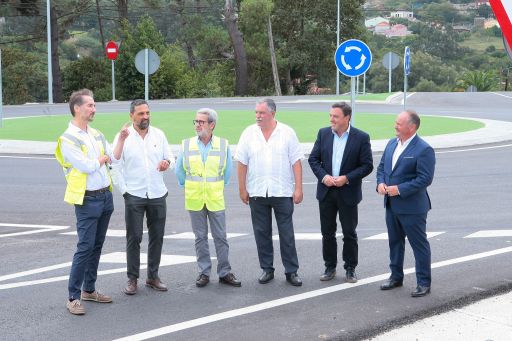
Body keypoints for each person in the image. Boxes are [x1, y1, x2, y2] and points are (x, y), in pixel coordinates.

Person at [55, 89, 120, 315]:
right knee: (85, 247)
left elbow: (112, 155)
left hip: (104, 196)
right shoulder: (68, 138)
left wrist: (117, 142)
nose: (94, 109)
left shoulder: (97, 134)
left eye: (94, 105)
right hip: (87, 198)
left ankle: (89, 290)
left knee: (97, 246)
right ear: (77, 108)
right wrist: (101, 159)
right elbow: (87, 166)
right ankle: (73, 296)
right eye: (90, 105)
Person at [236, 98, 304, 287]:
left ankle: (292, 271)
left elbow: (296, 161)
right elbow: (242, 162)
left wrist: (298, 188)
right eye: (256, 113)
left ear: (272, 114)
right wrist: (242, 188)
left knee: (286, 234)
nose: (258, 116)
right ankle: (267, 269)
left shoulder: (287, 133)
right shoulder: (248, 133)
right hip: (257, 191)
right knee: (261, 233)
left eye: (261, 113)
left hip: (282, 191)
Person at [111, 99, 173, 295]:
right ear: (131, 116)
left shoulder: (159, 135)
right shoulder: (123, 137)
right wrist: (125, 192)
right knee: (134, 237)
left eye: (147, 113)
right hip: (134, 194)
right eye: (141, 114)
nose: (145, 117)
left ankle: (153, 277)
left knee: (157, 237)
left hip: (157, 192)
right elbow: (115, 163)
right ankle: (132, 278)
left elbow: (170, 158)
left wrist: (166, 162)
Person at [308, 102, 373, 283]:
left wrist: (347, 178)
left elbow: (367, 165)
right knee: (327, 232)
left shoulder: (361, 137)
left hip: (348, 192)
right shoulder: (323, 134)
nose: (331, 120)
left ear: (347, 118)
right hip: (326, 191)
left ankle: (350, 268)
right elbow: (313, 159)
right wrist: (324, 177)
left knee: (349, 233)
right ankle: (330, 267)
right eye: (330, 116)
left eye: (335, 116)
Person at [175, 108, 241, 288]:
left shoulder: (223, 144)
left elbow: (227, 172)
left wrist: (216, 186)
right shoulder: (186, 144)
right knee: (200, 237)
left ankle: (224, 272)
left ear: (212, 125)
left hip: (215, 198)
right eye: (195, 121)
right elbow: (179, 170)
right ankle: (204, 272)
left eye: (201, 122)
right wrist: (188, 185)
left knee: (221, 237)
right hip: (195, 198)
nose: (197, 125)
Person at [376, 109, 436, 297]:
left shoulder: (424, 149)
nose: (395, 126)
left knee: (419, 245)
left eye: (399, 124)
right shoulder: (391, 144)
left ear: (412, 127)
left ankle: (424, 283)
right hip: (391, 205)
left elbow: (425, 179)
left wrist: (399, 189)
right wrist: (380, 183)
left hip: (412, 208)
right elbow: (381, 168)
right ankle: (395, 277)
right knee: (395, 242)